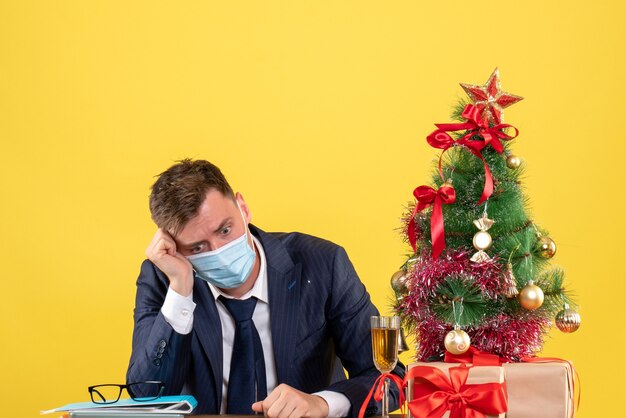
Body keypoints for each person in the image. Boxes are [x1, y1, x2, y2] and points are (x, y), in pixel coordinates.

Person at [126, 159, 404, 417]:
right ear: (176, 249)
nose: (219, 251)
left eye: (225, 230)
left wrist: (321, 403)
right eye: (198, 247)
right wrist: (180, 290)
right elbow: (146, 397)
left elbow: (391, 380)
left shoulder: (322, 264)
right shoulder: (164, 278)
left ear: (243, 208)